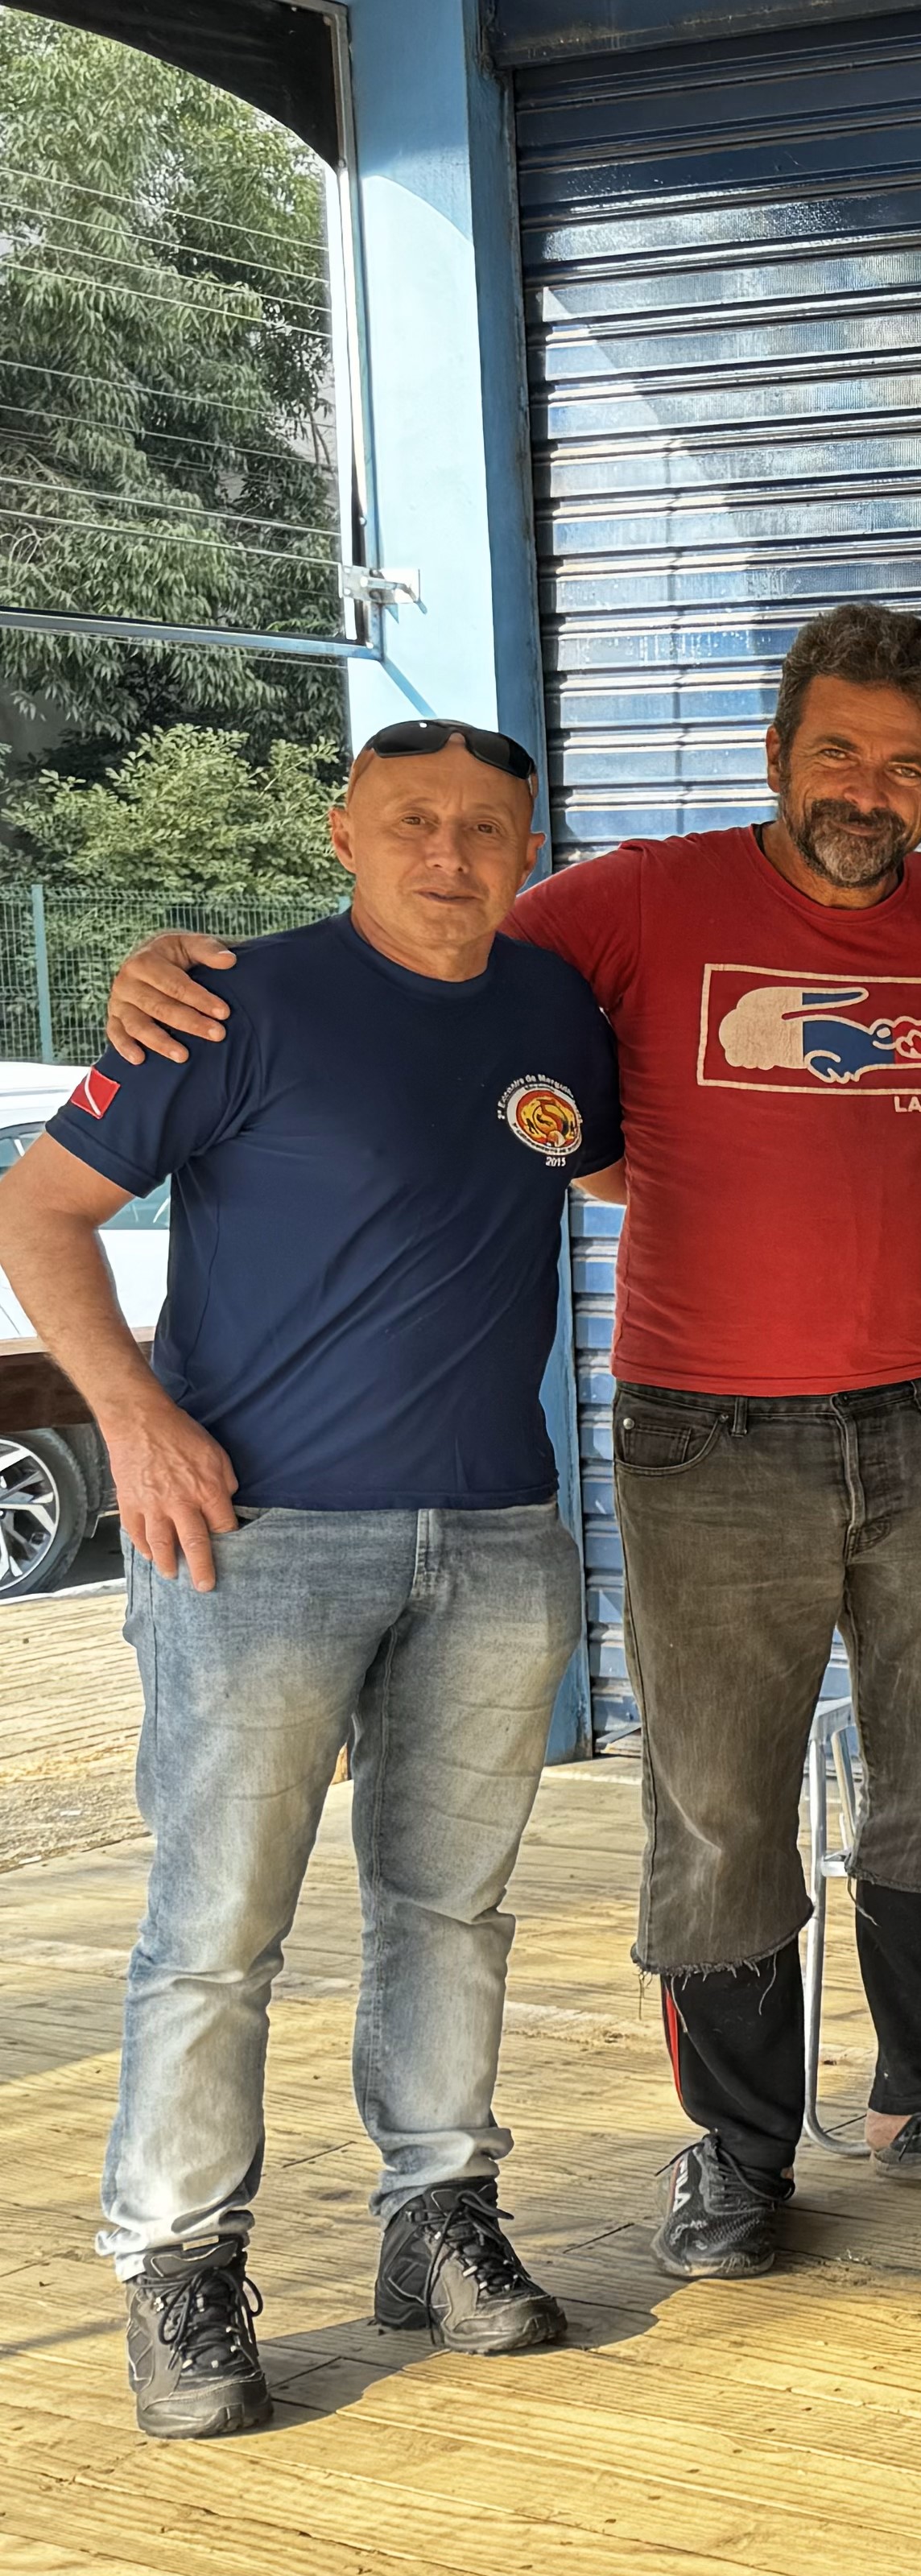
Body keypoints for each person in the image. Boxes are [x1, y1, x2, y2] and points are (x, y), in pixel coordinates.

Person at [104, 604, 921, 2279]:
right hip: (712, 1434)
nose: (868, 786)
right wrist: (186, 965)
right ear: (776, 749)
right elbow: (423, 956)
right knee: (721, 1806)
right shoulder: (635, 898)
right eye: (838, 748)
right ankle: (739, 2151)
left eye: (908, 763)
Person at [0, 720, 617, 2437]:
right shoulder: (227, 1000)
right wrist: (128, 1414)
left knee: (451, 1903)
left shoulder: (556, 1010)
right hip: (255, 1537)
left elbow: (625, 1164)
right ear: (343, 832)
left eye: (486, 825)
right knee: (216, 1926)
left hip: (496, 1530)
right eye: (413, 819)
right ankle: (179, 2262)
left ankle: (440, 2211)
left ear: (527, 844)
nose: (449, 851)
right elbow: (34, 1210)